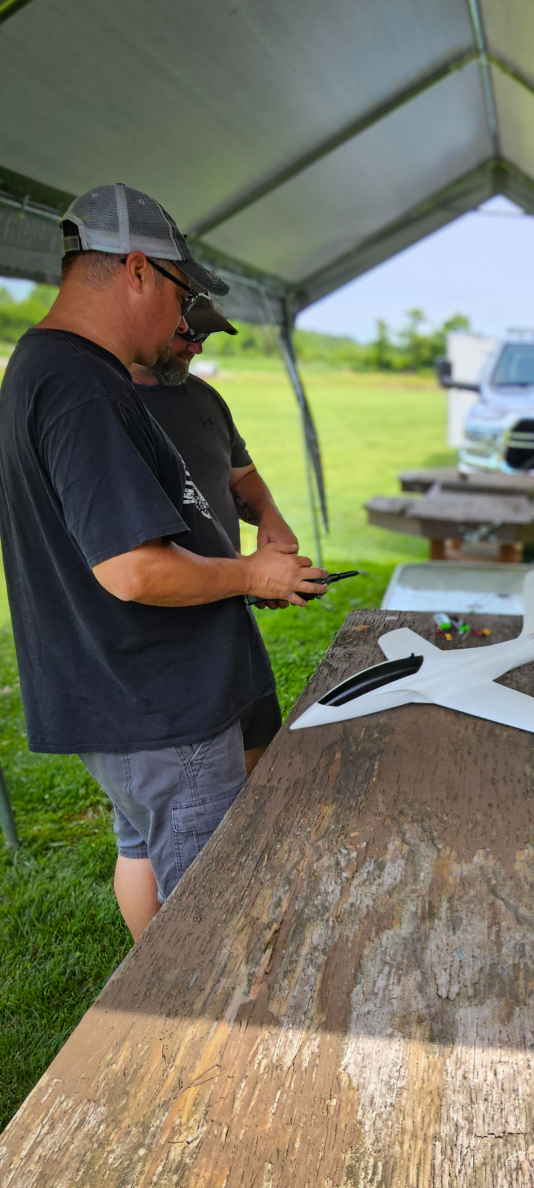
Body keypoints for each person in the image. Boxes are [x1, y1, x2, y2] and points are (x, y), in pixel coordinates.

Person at [0, 183, 327, 942]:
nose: (186, 321)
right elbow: (133, 570)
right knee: (208, 931)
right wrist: (252, 574)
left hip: (136, 697)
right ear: (139, 270)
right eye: (183, 296)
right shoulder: (80, 385)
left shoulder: (51, 367)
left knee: (158, 864)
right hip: (156, 704)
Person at [130, 297, 292, 775]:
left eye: (206, 337)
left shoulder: (204, 397)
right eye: (188, 334)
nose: (198, 348)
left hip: (229, 611)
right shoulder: (109, 406)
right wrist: (250, 576)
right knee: (193, 788)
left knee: (258, 748)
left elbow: (241, 476)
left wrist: (269, 518)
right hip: (163, 635)